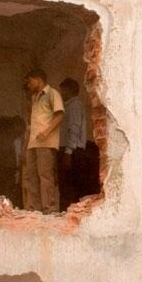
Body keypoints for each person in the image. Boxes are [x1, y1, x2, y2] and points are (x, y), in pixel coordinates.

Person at [22, 69, 64, 214]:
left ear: (38, 79)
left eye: (29, 81)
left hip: (46, 142)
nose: (28, 85)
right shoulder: (34, 98)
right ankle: (34, 209)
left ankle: (50, 209)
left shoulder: (53, 93)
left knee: (45, 176)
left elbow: (59, 115)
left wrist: (46, 132)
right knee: (31, 176)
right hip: (33, 143)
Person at [58, 77, 87, 210]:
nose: (61, 93)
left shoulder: (74, 106)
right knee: (66, 187)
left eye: (63, 90)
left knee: (70, 187)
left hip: (73, 152)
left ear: (69, 90)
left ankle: (69, 215)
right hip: (70, 150)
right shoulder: (69, 105)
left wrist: (68, 153)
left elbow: (74, 129)